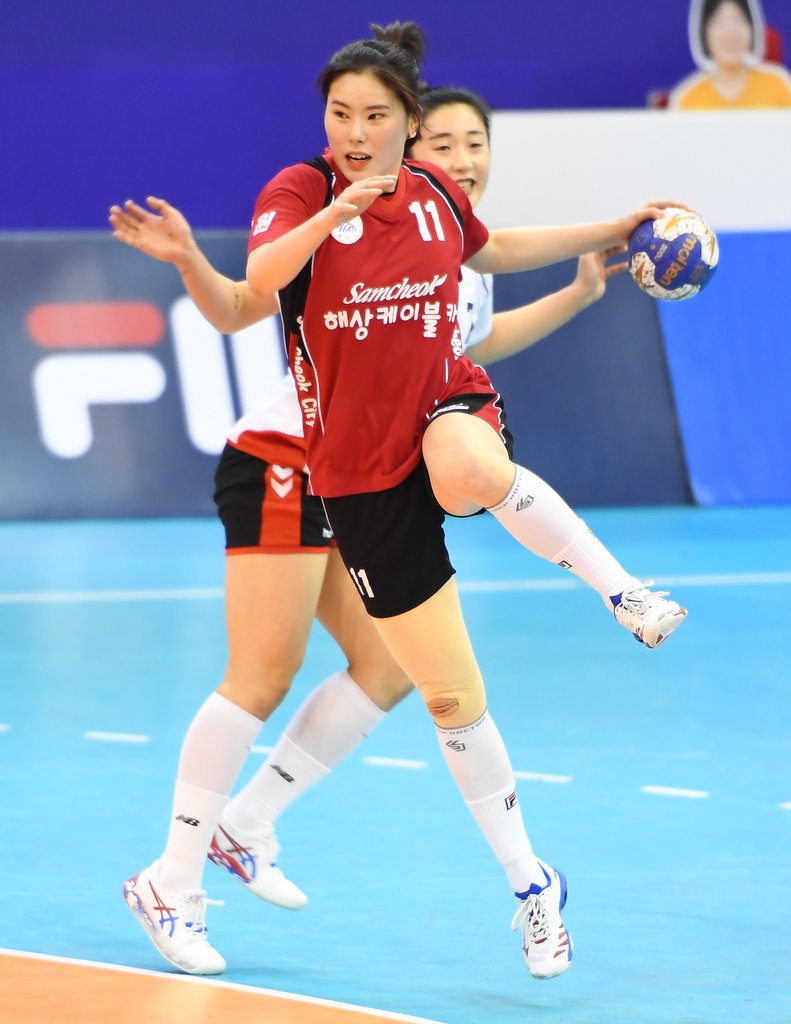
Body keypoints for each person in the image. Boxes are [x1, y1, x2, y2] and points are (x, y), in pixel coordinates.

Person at [117, 26, 687, 980]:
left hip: (419, 438)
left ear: (406, 124)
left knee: (400, 660)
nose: (353, 130)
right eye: (339, 114)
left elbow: (486, 284)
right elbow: (250, 295)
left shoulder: (434, 212)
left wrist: (603, 242)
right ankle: (172, 879)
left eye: (374, 115)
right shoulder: (303, 195)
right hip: (301, 461)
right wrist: (289, 227)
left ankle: (264, 826)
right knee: (266, 675)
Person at [669, 0, 791, 109]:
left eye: (739, 19)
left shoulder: (778, 85)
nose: (730, 32)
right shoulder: (688, 99)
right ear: (704, 33)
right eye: (719, 23)